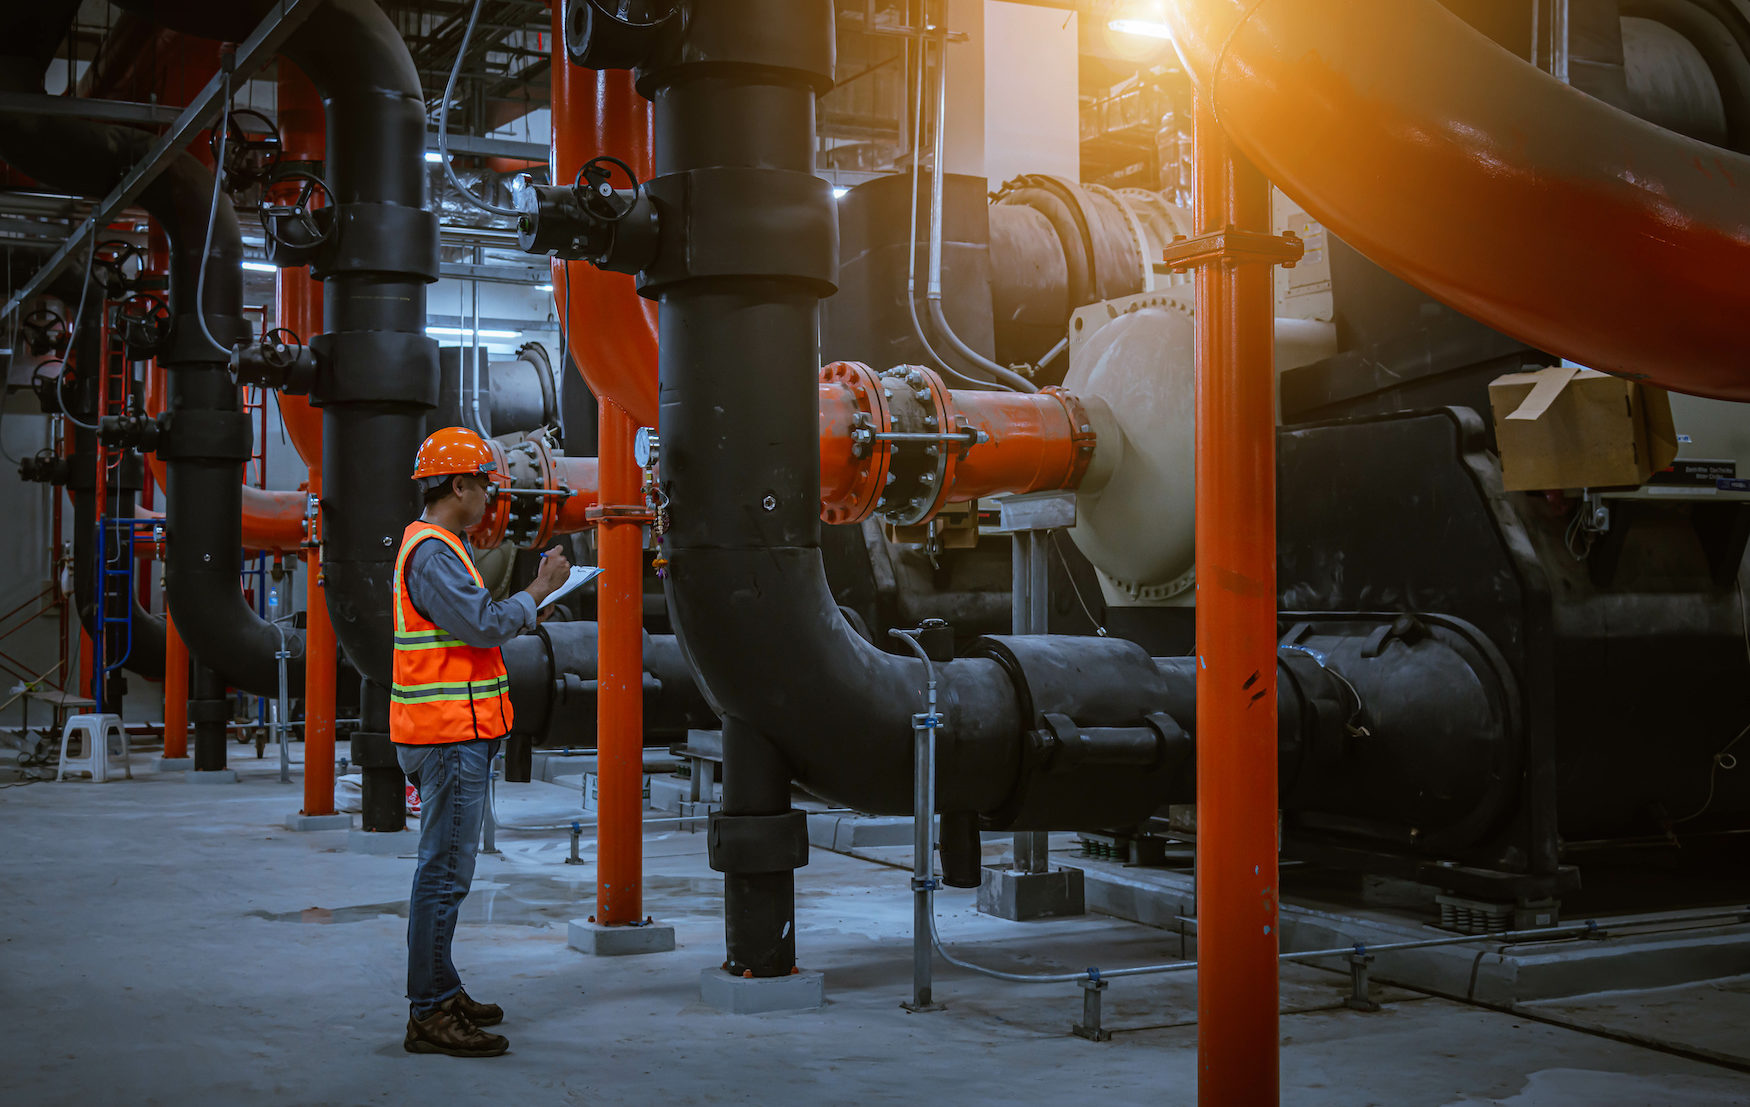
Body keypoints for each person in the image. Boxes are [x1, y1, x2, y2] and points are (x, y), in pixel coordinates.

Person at [392, 426, 573, 1057]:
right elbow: (483, 624)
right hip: (447, 738)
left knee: (448, 870)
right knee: (444, 874)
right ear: (460, 486)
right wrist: (540, 588)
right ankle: (429, 1013)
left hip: (457, 734)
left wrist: (526, 603)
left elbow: (476, 628)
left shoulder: (443, 547)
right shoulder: (435, 553)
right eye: (486, 485)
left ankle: (441, 986)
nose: (492, 497)